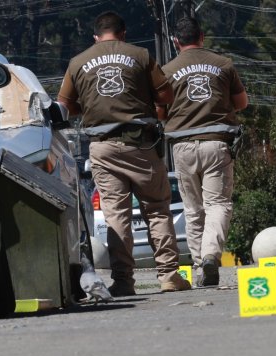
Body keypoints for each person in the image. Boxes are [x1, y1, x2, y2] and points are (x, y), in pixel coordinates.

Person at [57, 11, 190, 296]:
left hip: (102, 147)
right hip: (140, 144)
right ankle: (169, 275)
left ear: (95, 37)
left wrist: (90, 108)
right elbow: (166, 96)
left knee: (116, 214)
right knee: (156, 209)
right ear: (123, 33)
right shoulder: (140, 55)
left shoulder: (78, 62)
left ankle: (123, 281)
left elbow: (64, 105)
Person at [161, 17, 248, 287]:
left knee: (193, 209)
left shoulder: (166, 71)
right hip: (217, 143)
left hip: (182, 146)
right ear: (202, 37)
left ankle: (201, 266)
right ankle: (211, 255)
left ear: (176, 41)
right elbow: (242, 103)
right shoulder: (223, 64)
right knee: (218, 204)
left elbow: (159, 112)